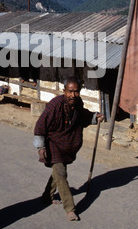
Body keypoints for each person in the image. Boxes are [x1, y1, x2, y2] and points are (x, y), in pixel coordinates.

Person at [34, 76, 104, 221]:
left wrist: (94, 117)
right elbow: (40, 125)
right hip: (53, 143)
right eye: (70, 91)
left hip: (67, 145)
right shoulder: (55, 105)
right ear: (64, 91)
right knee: (61, 174)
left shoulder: (78, 103)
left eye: (76, 92)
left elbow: (83, 116)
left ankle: (47, 196)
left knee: (58, 173)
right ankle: (70, 208)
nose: (73, 95)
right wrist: (41, 147)